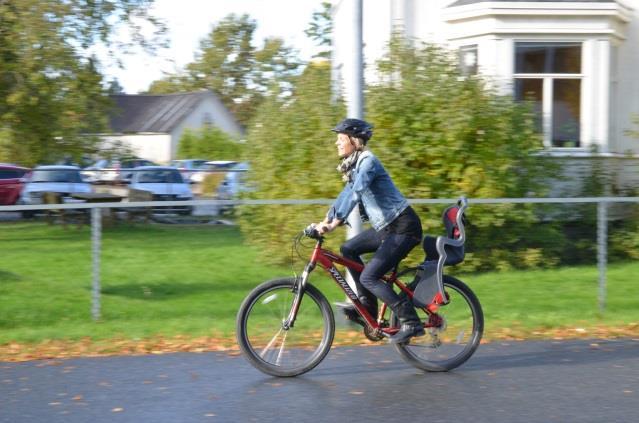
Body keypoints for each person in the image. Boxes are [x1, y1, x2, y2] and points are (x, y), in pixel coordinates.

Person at [315, 118, 424, 344]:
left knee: (370, 276)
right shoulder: (355, 165)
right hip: (388, 229)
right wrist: (324, 221)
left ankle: (411, 321)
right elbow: (346, 195)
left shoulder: (368, 162)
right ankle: (369, 309)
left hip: (404, 227)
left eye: (340, 139)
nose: (336, 143)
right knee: (349, 248)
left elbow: (356, 192)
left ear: (354, 141)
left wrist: (334, 224)